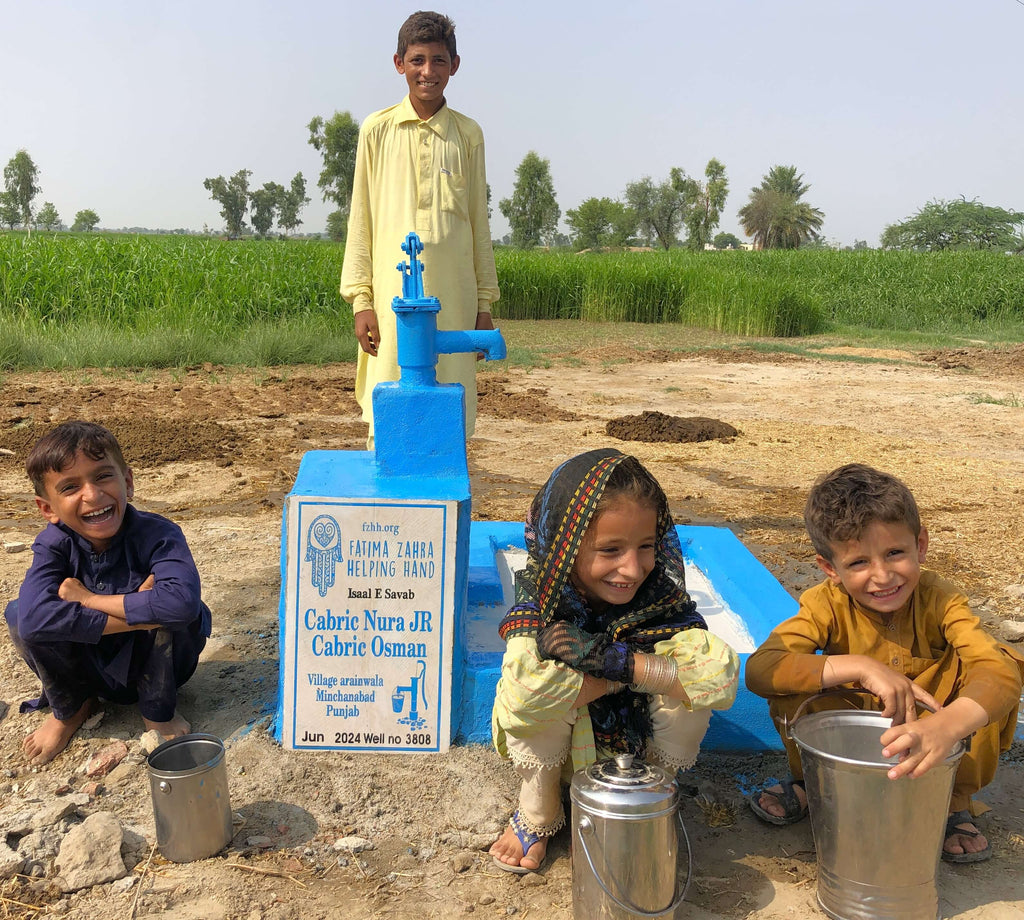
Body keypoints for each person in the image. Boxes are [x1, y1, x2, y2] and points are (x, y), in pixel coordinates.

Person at [745, 463, 1024, 864]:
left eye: (895, 553)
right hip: (852, 737)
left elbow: (1000, 673)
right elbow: (760, 669)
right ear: (830, 568)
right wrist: (858, 666)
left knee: (990, 671)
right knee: (792, 676)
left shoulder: (942, 600)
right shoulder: (825, 604)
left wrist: (946, 724)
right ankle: (810, 782)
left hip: (935, 736)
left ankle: (951, 803)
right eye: (858, 563)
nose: (882, 576)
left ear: (920, 545)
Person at [489, 449, 739, 872]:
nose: (633, 568)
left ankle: (652, 799)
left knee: (690, 697)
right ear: (566, 546)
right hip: (567, 753)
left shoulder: (661, 602)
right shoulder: (544, 604)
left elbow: (719, 679)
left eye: (645, 546)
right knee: (541, 698)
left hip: (637, 757)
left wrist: (616, 664)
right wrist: (639, 674)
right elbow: (523, 698)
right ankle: (539, 815)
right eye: (610, 550)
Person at [4, 421, 212, 765]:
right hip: (89, 669)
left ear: (127, 482)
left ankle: (158, 711)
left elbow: (180, 605)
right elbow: (32, 621)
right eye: (70, 486)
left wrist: (89, 599)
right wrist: (137, 613)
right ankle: (71, 708)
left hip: (161, 664)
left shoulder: (159, 534)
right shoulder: (53, 545)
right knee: (17, 612)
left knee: (173, 611)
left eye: (103, 476)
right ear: (48, 509)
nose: (92, 494)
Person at [340, 10, 499, 448]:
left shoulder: (468, 135)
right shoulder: (377, 129)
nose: (428, 72)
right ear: (399, 63)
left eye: (438, 61)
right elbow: (362, 219)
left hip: (454, 299)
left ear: (455, 65)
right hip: (393, 301)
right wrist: (360, 300)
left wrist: (483, 303)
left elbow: (477, 224)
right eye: (417, 60)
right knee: (390, 405)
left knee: (447, 416)